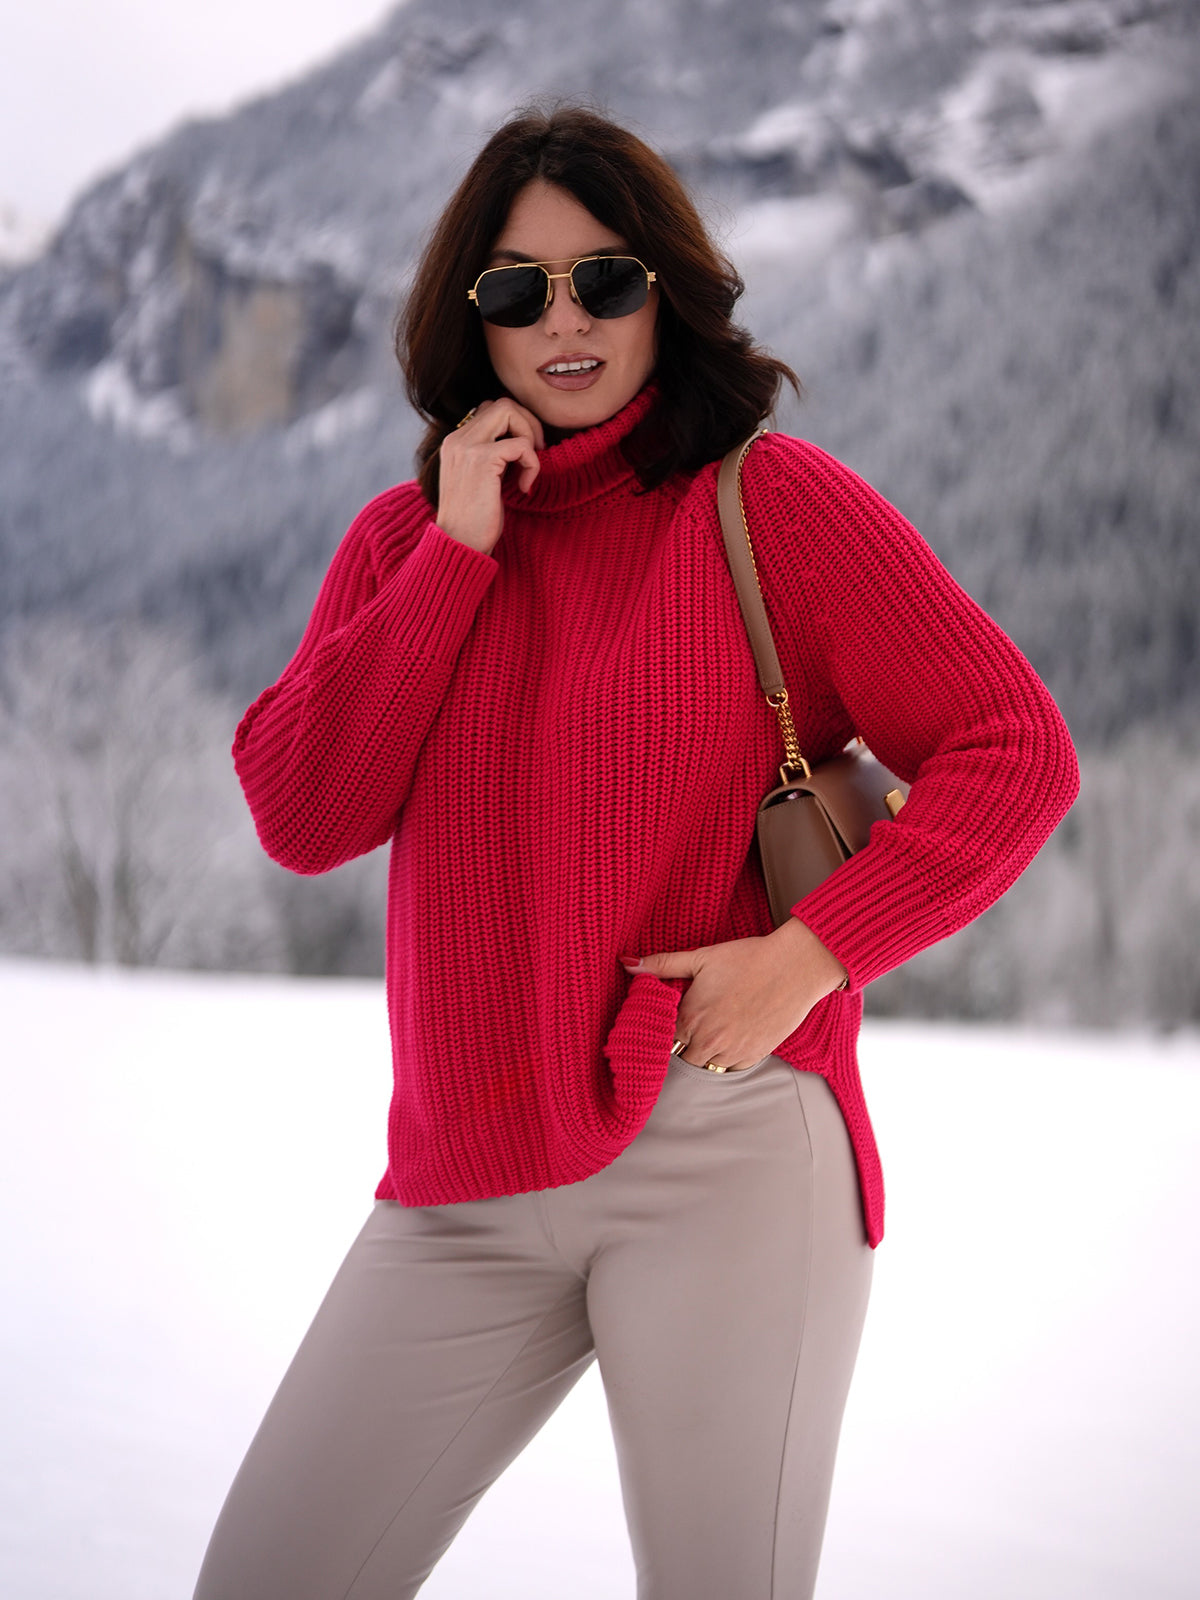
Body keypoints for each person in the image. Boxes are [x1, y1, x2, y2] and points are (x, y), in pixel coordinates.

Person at [194, 103, 1079, 1600]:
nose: (565, 320)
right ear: (466, 315)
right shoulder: (404, 544)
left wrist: (806, 960)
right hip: (462, 1179)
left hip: (723, 1150)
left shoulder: (771, 506)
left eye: (604, 279)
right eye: (516, 288)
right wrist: (453, 557)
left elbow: (1017, 748)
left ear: (665, 291)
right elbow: (305, 812)